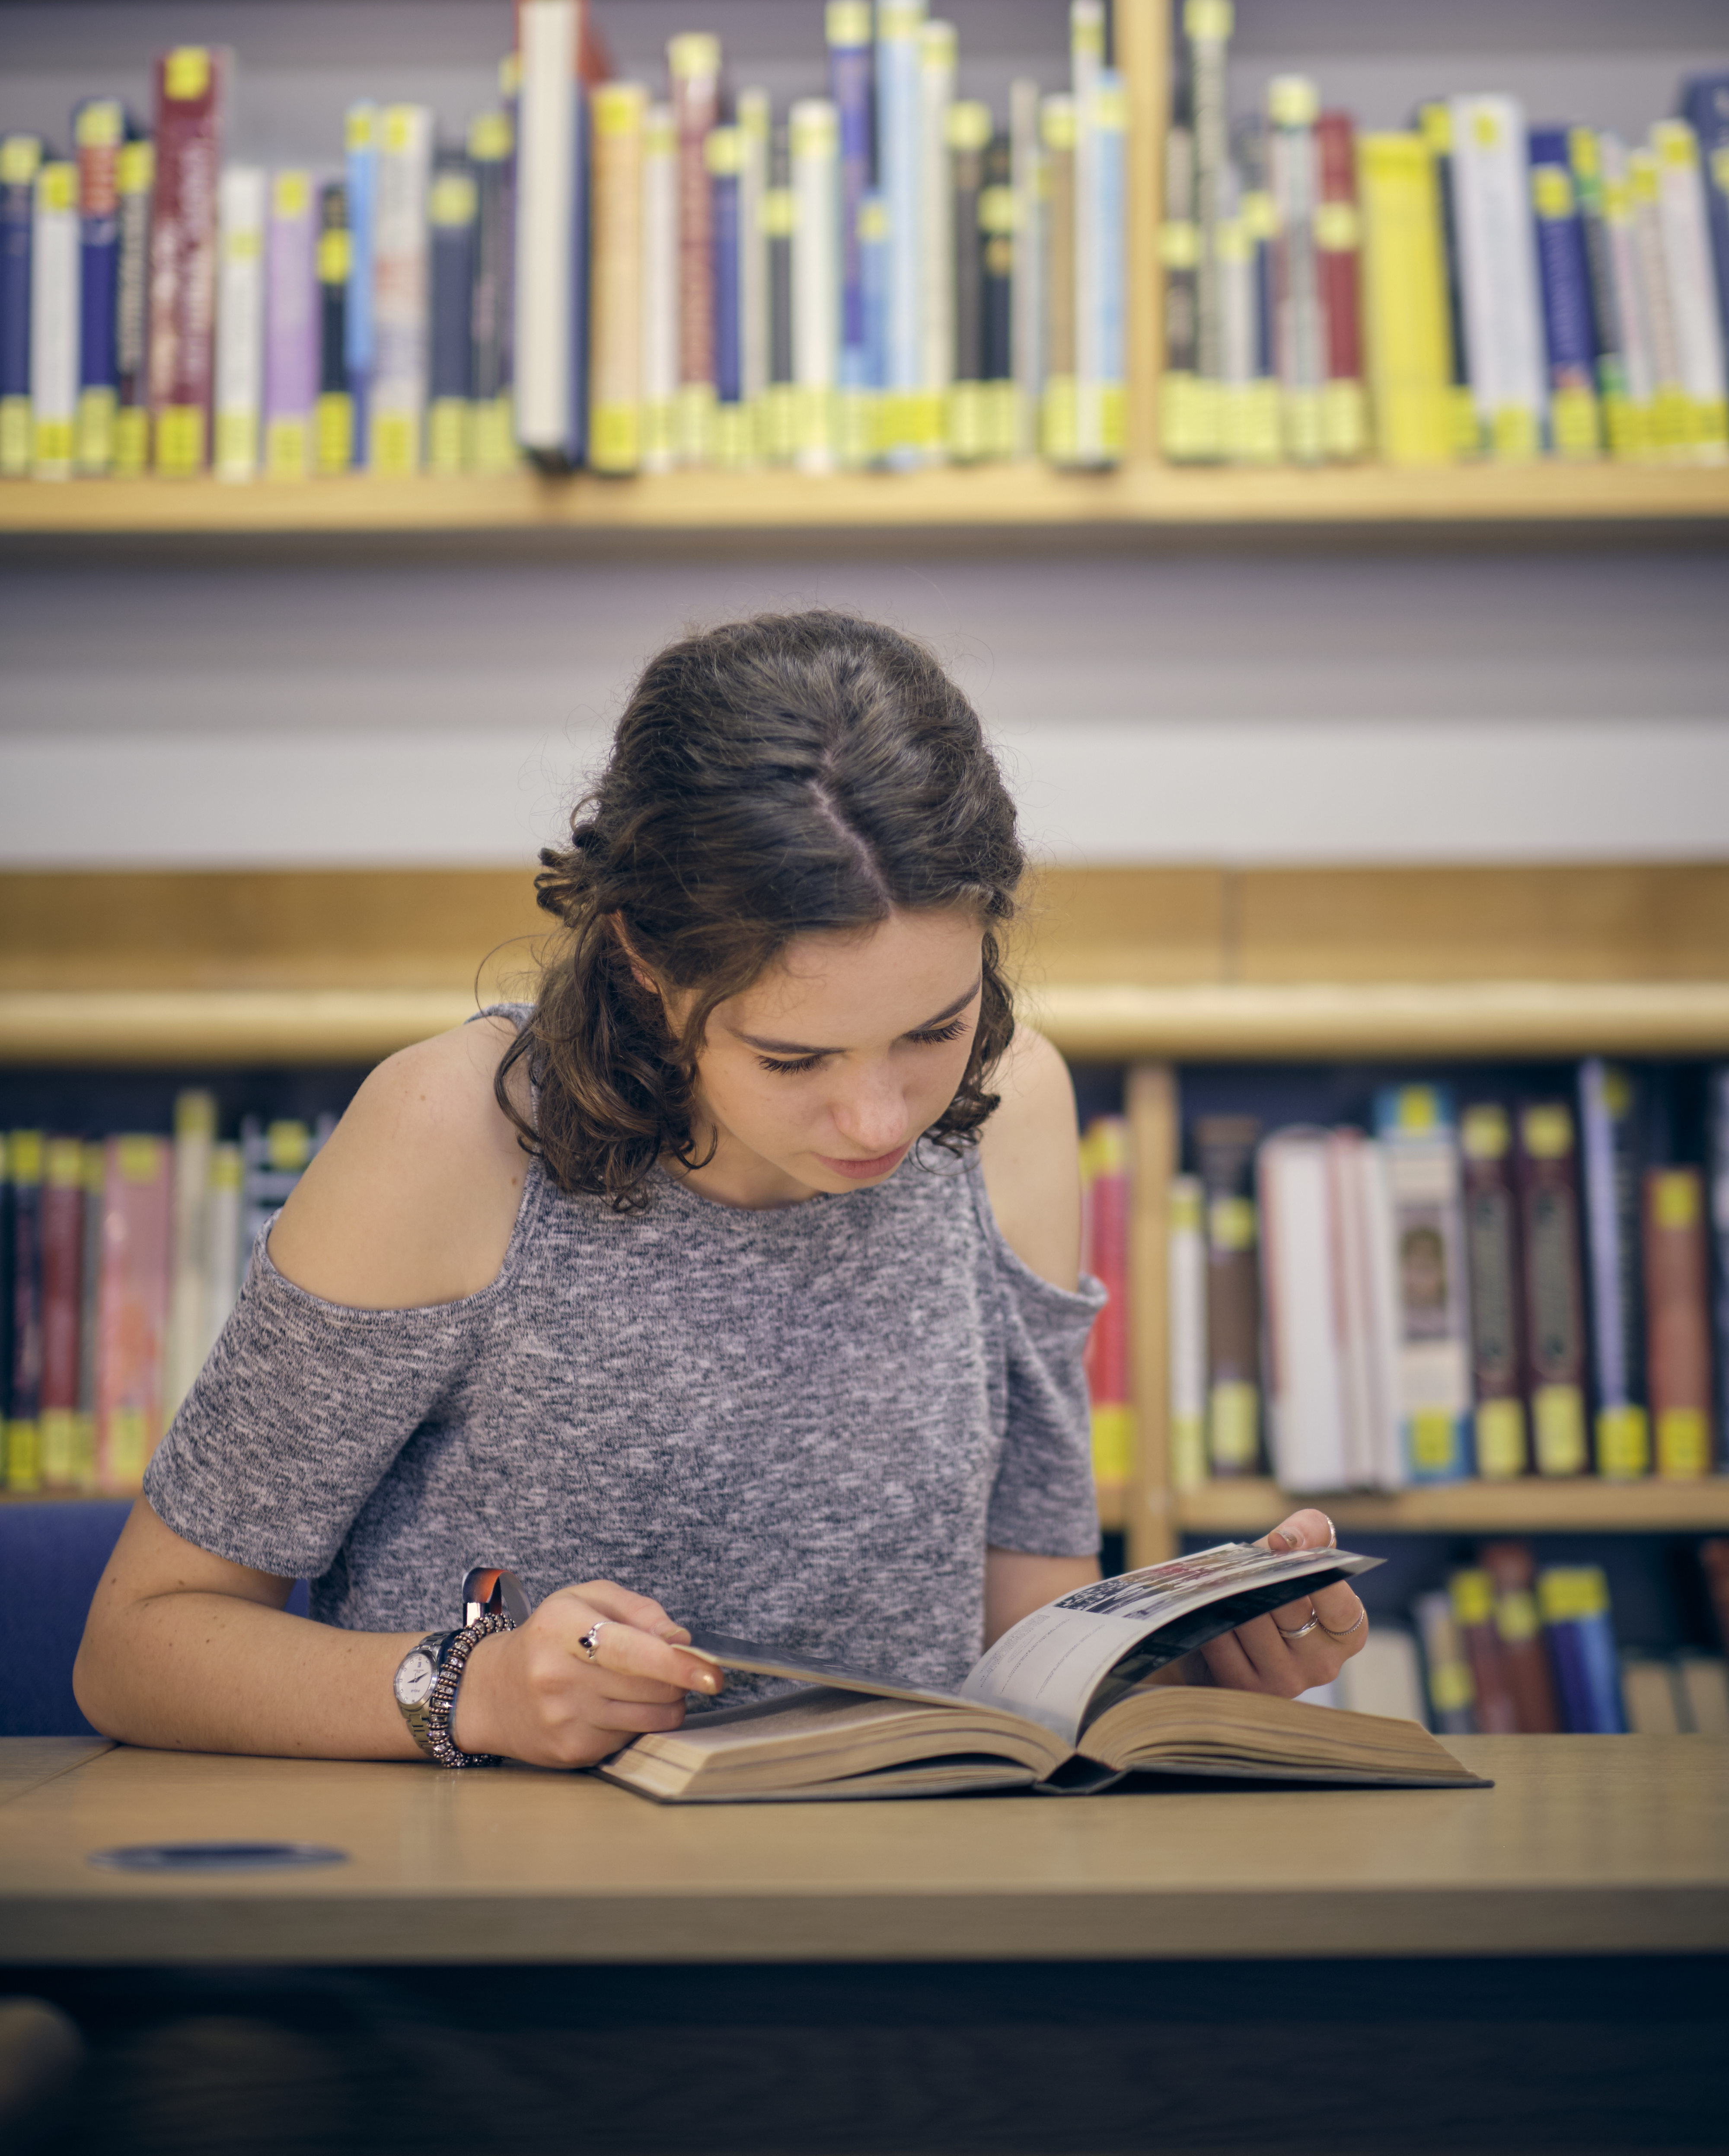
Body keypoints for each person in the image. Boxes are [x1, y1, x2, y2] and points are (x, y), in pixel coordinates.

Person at [76, 609, 1366, 1770]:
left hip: (892, 1918)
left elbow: (1021, 1643)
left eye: (933, 1029)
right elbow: (138, 1648)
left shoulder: (1019, 1104)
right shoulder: (453, 1135)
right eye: (791, 1056)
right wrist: (472, 1694)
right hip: (501, 1936)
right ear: (642, 954)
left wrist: (1183, 1662)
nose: (878, 1121)